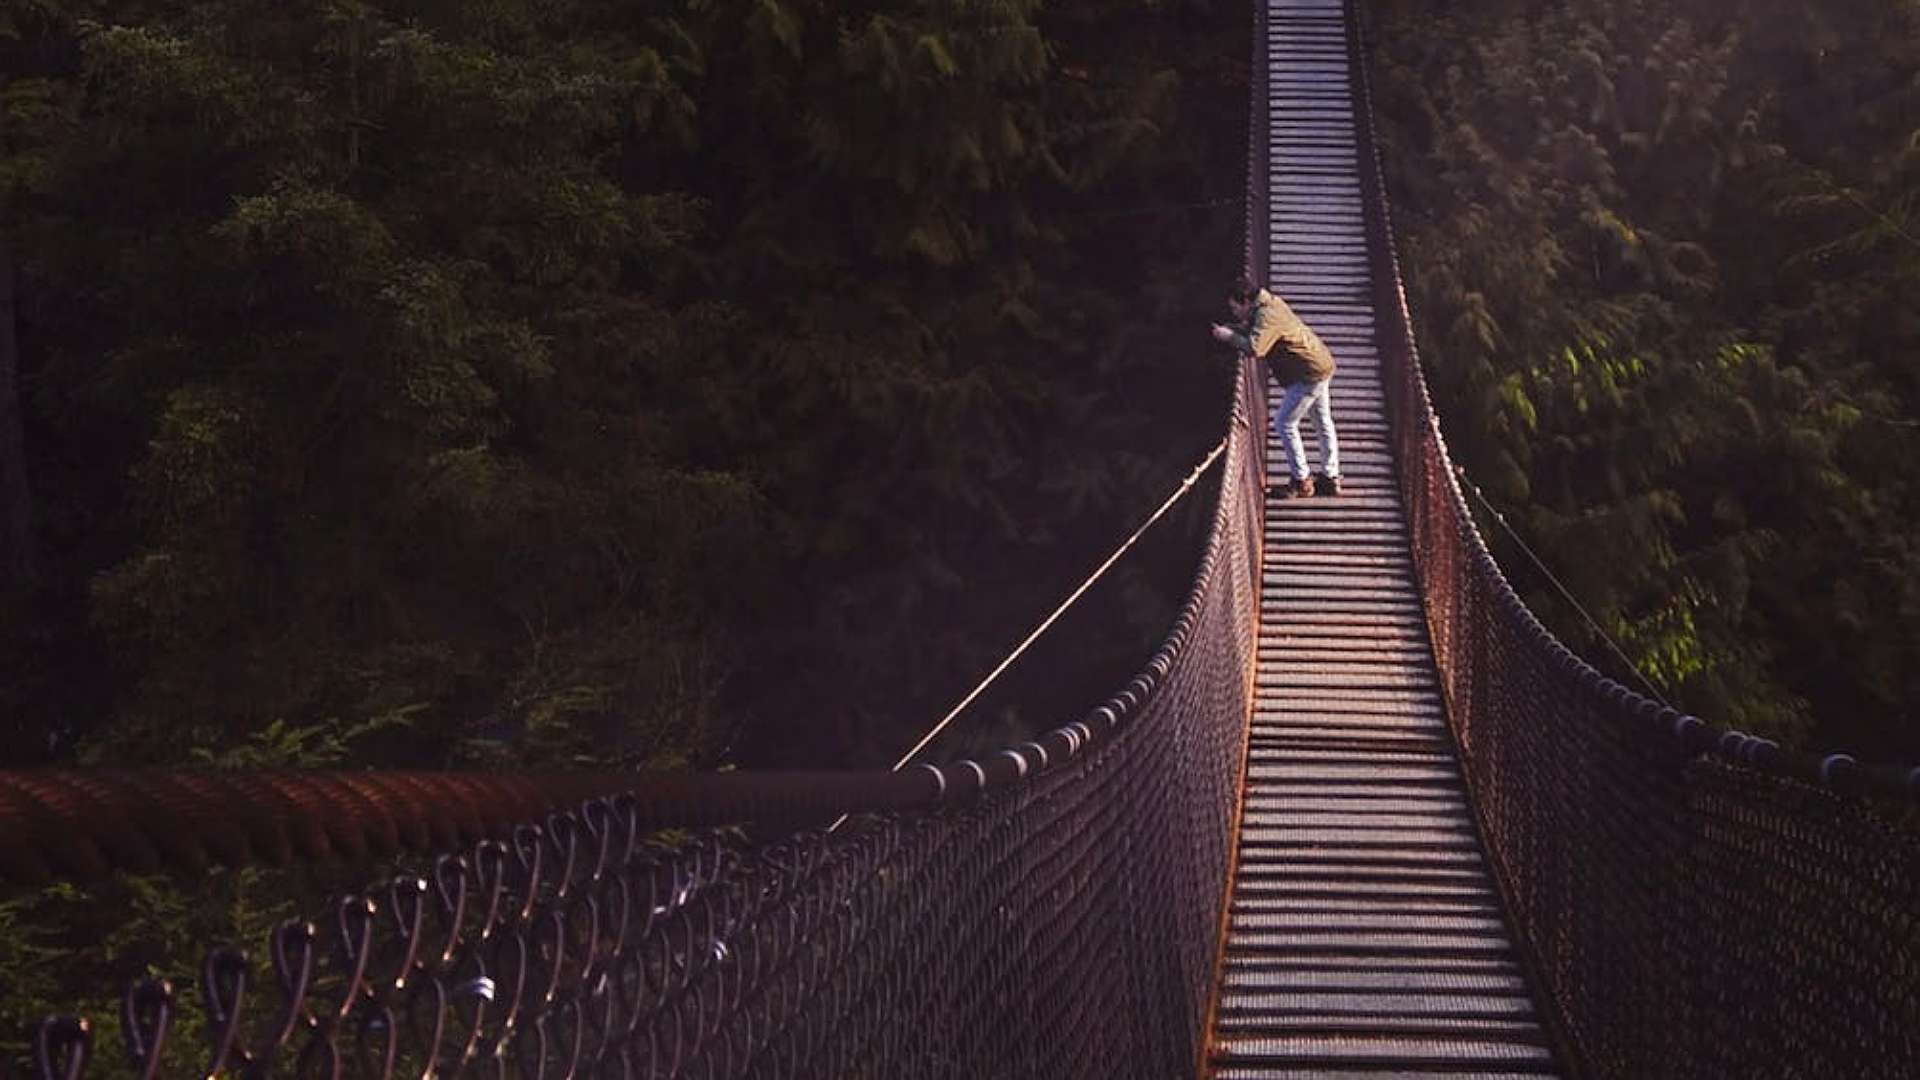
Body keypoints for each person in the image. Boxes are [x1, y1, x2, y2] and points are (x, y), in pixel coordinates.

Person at [1210, 276, 1341, 498]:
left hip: (1308, 374)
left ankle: (1301, 480)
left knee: (1284, 423)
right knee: (1322, 422)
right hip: (1320, 364)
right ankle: (1331, 477)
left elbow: (1255, 348)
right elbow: (1254, 327)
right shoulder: (1270, 303)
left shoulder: (1267, 315)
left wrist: (1229, 336)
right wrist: (1234, 328)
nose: (1234, 313)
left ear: (1245, 302)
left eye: (1235, 308)